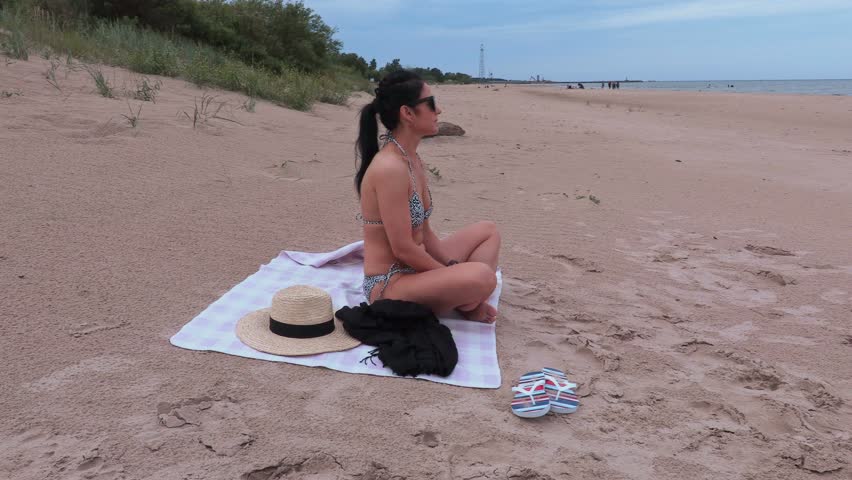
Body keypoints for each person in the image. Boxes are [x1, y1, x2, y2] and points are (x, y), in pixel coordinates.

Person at [355, 70, 501, 323]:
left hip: (415, 269)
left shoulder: (410, 157)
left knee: (488, 231)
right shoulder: (390, 168)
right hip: (390, 283)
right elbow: (403, 249)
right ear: (408, 113)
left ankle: (462, 298)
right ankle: (466, 303)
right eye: (431, 104)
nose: (439, 110)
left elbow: (426, 233)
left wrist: (451, 268)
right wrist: (451, 273)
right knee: (482, 276)